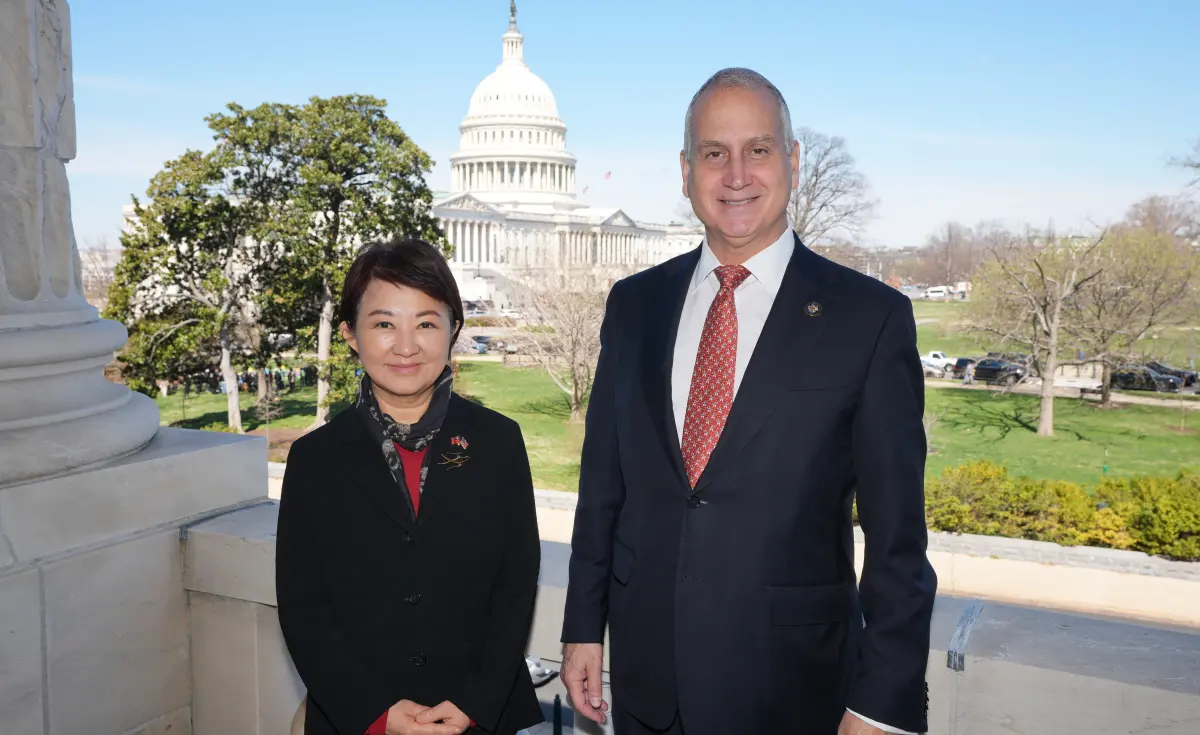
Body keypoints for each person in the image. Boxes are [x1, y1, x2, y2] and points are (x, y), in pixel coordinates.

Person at [560, 68, 937, 735]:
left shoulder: (868, 318)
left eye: (757, 150)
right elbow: (603, 488)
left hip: (794, 692)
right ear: (686, 171)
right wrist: (583, 627)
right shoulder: (635, 306)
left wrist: (881, 702)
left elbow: (898, 541)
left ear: (792, 161)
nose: (736, 175)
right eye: (714, 153)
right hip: (649, 687)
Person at [276, 237, 544, 735]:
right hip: (356, 715)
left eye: (425, 323)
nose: (406, 346)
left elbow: (515, 583)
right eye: (384, 324)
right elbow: (303, 604)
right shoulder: (315, 459)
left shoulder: (498, 442)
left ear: (453, 329)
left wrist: (474, 702)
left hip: (476, 714)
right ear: (350, 334)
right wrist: (375, 712)